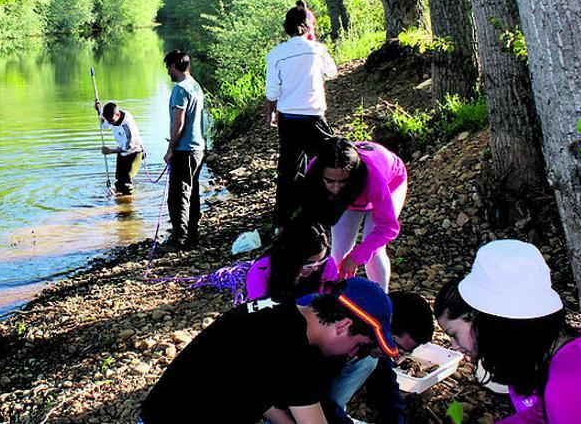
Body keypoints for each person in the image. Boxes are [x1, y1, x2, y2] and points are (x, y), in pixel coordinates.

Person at [139, 277, 400, 424]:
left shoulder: (282, 309)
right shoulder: (294, 349)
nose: (353, 355)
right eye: (359, 347)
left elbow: (262, 393)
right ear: (343, 326)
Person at [434, 240, 581, 424]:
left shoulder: (570, 386)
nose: (454, 345)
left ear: (489, 322)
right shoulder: (578, 348)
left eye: (454, 334)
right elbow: (540, 415)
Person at [297, 138, 407, 291]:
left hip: (390, 184)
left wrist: (356, 258)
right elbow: (309, 215)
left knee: (374, 252)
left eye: (342, 181)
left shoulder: (372, 177)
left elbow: (388, 227)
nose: (336, 187)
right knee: (339, 252)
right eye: (329, 181)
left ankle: (382, 299)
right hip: (352, 198)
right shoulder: (314, 170)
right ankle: (335, 297)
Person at [266, 6, 337, 228]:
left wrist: (271, 112)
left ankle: (283, 221)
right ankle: (328, 213)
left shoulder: (276, 54)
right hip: (314, 116)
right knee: (329, 162)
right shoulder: (317, 50)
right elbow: (332, 72)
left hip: (288, 118)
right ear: (308, 26)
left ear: (287, 27)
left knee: (288, 170)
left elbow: (272, 90)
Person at [327, 291, 434, 424]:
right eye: (396, 346)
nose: (394, 355)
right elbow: (315, 400)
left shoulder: (373, 349)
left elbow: (385, 386)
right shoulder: (332, 342)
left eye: (404, 352)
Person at [162, 50, 206, 251]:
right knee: (192, 192)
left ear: (173, 66)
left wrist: (171, 148)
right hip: (198, 148)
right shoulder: (195, 85)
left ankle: (179, 239)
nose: (167, 72)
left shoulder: (180, 89)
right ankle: (192, 235)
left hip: (184, 149)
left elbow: (178, 122)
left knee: (178, 195)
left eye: (168, 68)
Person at [246, 219, 339, 301]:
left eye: (321, 260)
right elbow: (261, 313)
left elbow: (332, 299)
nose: (315, 268)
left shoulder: (327, 264)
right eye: (309, 264)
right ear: (290, 258)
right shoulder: (261, 271)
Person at [94, 101, 144, 195]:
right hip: (122, 151)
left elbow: (127, 148)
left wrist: (110, 151)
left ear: (118, 114)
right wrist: (99, 111)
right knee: (119, 177)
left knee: (126, 180)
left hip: (134, 151)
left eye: (111, 121)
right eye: (108, 120)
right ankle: (120, 196)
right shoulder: (112, 118)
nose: (109, 123)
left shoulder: (127, 126)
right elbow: (103, 124)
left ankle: (127, 204)